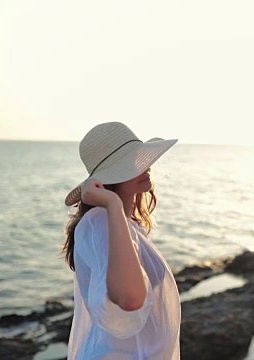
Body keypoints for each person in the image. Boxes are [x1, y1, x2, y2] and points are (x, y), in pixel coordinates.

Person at [62, 122, 180, 359]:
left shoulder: (126, 226)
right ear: (106, 179)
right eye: (130, 164)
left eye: (140, 158)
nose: (144, 166)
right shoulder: (100, 221)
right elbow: (130, 298)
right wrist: (113, 204)